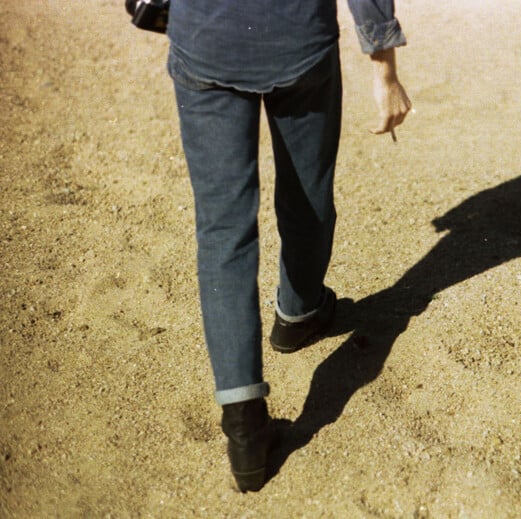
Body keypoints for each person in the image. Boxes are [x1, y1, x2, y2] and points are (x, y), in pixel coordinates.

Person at [165, 0, 411, 492]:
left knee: (222, 230)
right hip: (297, 40)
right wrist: (384, 69)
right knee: (307, 192)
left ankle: (243, 427)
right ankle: (298, 313)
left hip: (205, 41)